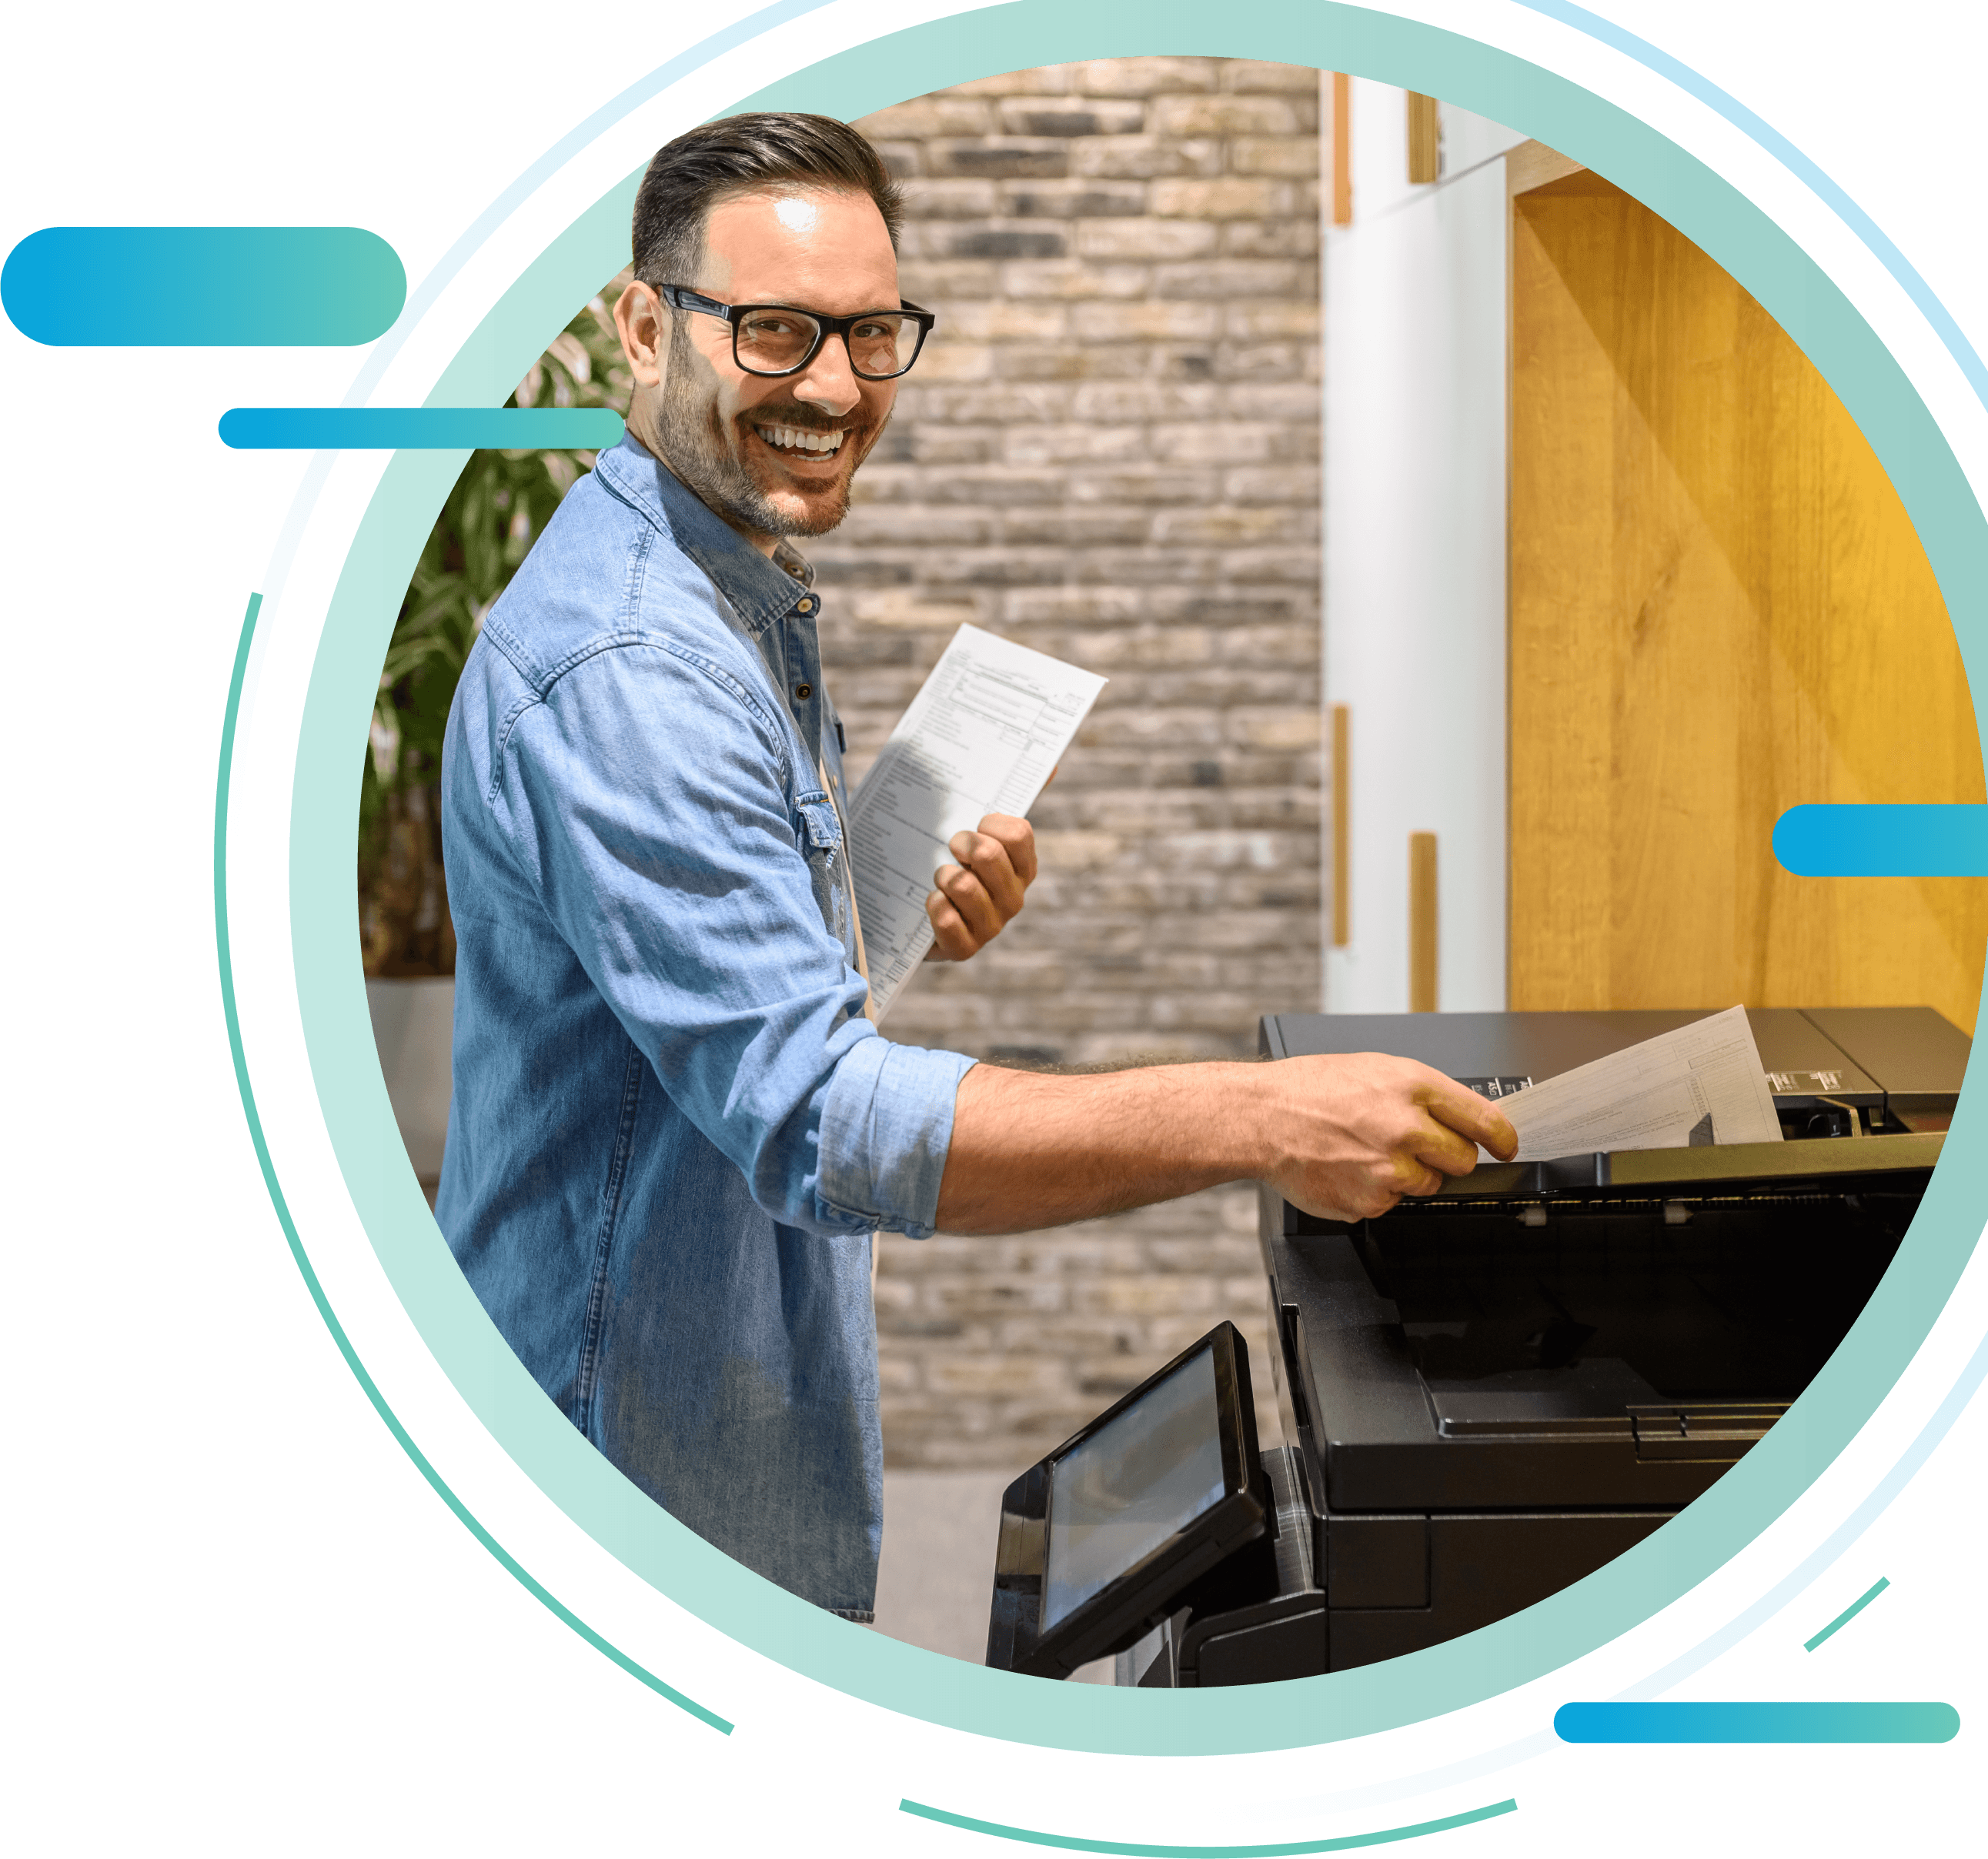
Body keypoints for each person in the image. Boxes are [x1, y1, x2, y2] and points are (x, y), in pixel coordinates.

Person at [434, 112, 1515, 1623]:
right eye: (775, 330)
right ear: (642, 324)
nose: (834, 386)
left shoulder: (722, 584)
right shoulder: (636, 665)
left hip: (717, 1417)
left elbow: (693, 998)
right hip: (624, 1485)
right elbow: (815, 1117)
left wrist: (872, 901)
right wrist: (1261, 1113)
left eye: (873, 334)